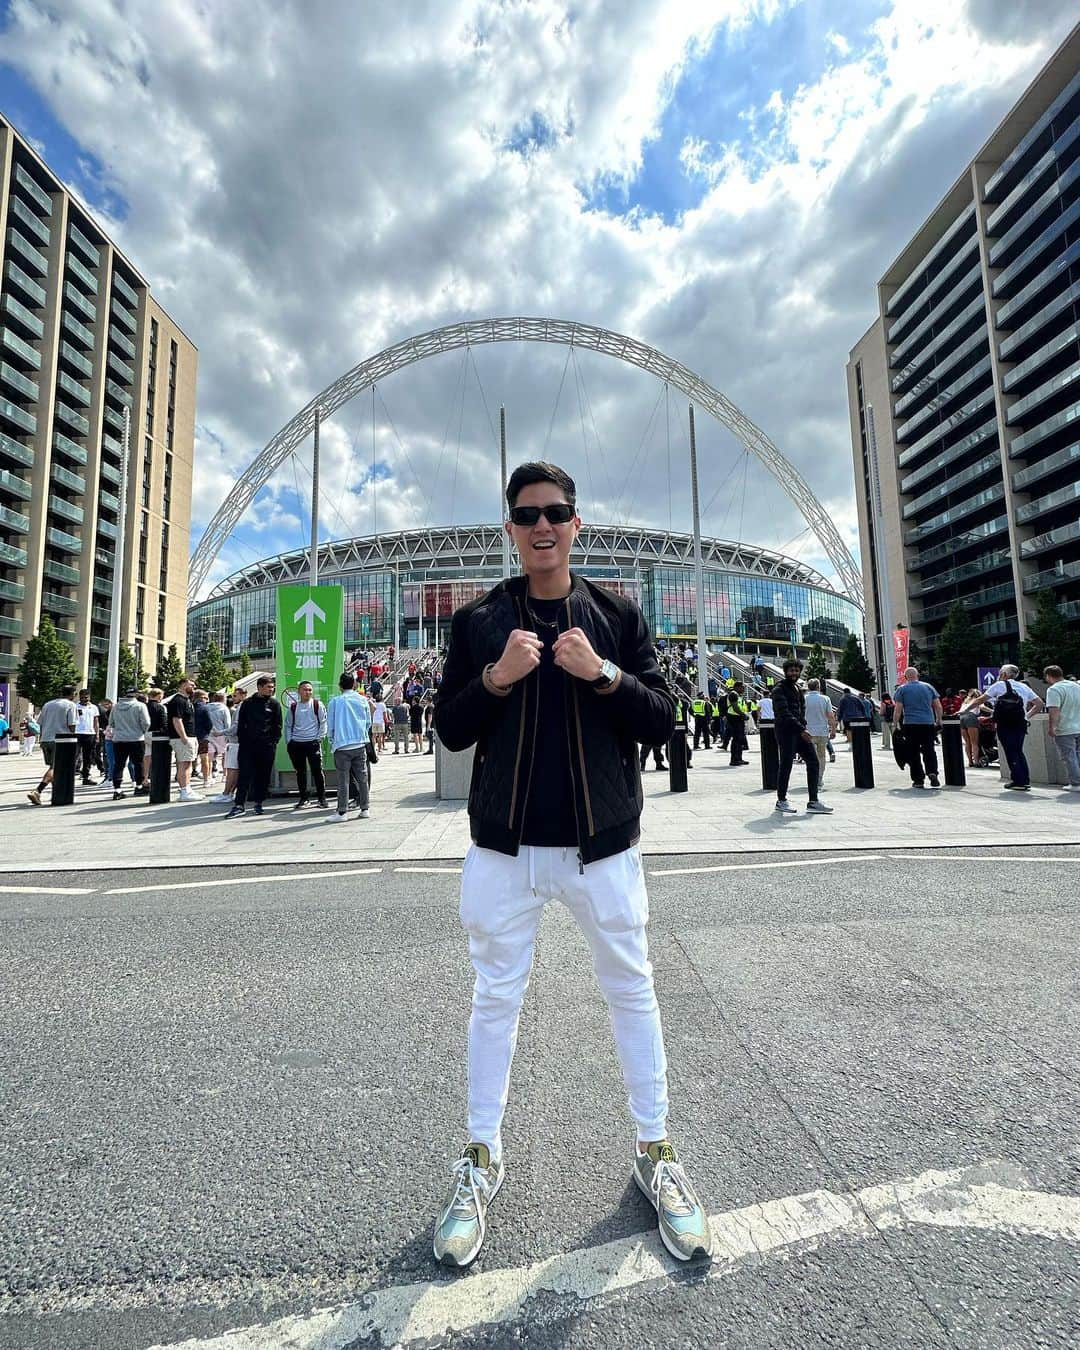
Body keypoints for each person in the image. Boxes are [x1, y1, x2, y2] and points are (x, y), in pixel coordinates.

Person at [432, 459, 712, 1270]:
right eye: (527, 515)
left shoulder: (618, 615)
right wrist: (495, 678)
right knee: (495, 999)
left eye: (555, 512)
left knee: (632, 990)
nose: (542, 525)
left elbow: (663, 719)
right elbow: (450, 727)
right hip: (504, 849)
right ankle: (480, 1158)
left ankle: (656, 1151)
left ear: (576, 524)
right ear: (511, 529)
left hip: (603, 847)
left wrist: (605, 675)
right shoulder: (482, 621)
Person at [964, 664, 1043, 790]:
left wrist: (965, 710)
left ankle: (1018, 781)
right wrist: (1026, 716)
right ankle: (1024, 779)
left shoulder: (999, 685)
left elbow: (980, 700)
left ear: (1004, 674)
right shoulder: (1023, 686)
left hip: (1005, 723)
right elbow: (1039, 704)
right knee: (1018, 750)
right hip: (1020, 723)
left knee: (1010, 751)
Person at [773, 659, 833, 814]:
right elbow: (784, 713)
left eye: (796, 670)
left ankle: (813, 801)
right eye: (791, 670)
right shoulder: (779, 689)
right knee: (786, 765)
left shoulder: (798, 689)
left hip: (799, 731)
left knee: (813, 761)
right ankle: (781, 800)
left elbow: (801, 711)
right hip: (786, 732)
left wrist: (803, 726)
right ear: (785, 671)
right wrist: (802, 729)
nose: (794, 673)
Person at [227, 675, 282, 817]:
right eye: (268, 687)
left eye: (272, 687)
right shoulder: (247, 703)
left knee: (263, 775)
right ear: (259, 687)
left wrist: (273, 742)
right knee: (244, 774)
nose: (271, 689)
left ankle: (259, 803)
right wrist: (243, 740)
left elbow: (277, 726)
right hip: (247, 746)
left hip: (267, 746)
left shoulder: (274, 704)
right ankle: (239, 805)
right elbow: (241, 724)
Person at [326, 671, 371, 822]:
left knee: (343, 780)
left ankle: (342, 812)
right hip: (359, 743)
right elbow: (368, 722)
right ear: (354, 684)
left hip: (342, 744)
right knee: (362, 777)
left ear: (340, 686)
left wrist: (332, 739)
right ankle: (365, 808)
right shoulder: (362, 700)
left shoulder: (335, 701)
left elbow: (330, 725)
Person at [893, 667, 943, 789]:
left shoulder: (902, 689)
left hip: (910, 724)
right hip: (927, 723)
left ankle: (918, 779)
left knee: (913, 752)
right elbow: (938, 706)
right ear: (918, 675)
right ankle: (932, 772)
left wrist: (895, 724)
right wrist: (938, 720)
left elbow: (898, 709)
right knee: (929, 749)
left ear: (905, 677)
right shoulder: (928, 687)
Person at [27, 685, 77, 805]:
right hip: (61, 741)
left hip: (45, 739)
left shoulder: (48, 704)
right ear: (72, 694)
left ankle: (57, 793)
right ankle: (38, 790)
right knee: (56, 768)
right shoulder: (70, 705)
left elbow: (40, 722)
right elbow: (72, 725)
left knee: (53, 766)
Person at [284, 680, 329, 809]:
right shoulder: (293, 707)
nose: (308, 692)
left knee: (317, 771)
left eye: (310, 690)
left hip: (313, 743)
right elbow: (288, 725)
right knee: (300, 772)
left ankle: (322, 799)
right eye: (305, 689)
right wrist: (289, 741)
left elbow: (323, 722)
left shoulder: (317, 705)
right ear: (299, 691)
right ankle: (304, 799)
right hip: (296, 744)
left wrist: (319, 738)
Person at [108, 688, 151, 799]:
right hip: (136, 738)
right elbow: (146, 723)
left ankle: (117, 789)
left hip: (119, 738)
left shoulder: (116, 706)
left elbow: (111, 722)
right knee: (138, 763)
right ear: (136, 695)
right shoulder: (140, 706)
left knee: (119, 764)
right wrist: (141, 731)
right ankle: (139, 786)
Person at [1043, 665, 1080, 791]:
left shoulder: (1054, 690)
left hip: (1065, 728)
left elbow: (1054, 710)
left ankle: (1076, 783)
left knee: (1069, 756)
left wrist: (1052, 727)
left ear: (1048, 676)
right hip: (1078, 725)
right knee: (1077, 754)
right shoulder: (1076, 686)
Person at [213, 687, 247, 804]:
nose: (233, 698)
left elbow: (235, 727)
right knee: (235, 769)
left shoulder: (240, 708)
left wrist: (220, 733)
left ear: (243, 695)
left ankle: (226, 793)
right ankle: (230, 793)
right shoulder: (242, 707)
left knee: (232, 769)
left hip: (235, 742)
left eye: (235, 696)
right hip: (239, 742)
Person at [168, 678, 200, 801]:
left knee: (188, 763)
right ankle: (184, 791)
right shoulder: (178, 700)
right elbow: (177, 720)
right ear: (183, 685)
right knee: (184, 764)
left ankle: (187, 789)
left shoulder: (186, 700)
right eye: (191, 684)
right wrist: (184, 737)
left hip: (189, 736)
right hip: (182, 738)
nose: (194, 686)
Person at [803, 678, 836, 788]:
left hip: (808, 731)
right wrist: (833, 729)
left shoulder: (803, 699)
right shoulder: (825, 699)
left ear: (808, 687)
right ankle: (819, 778)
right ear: (819, 687)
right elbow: (830, 716)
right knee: (821, 756)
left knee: (810, 757)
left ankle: (812, 777)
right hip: (822, 731)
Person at [74, 689, 100, 784]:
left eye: (87, 697)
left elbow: (96, 722)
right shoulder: (75, 707)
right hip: (77, 733)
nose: (85, 699)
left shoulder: (94, 707)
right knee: (75, 755)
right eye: (83, 697)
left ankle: (86, 776)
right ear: (80, 697)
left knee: (88, 757)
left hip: (90, 734)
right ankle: (70, 774)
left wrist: (97, 735)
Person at [206, 691, 231, 778]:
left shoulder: (206, 707)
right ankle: (225, 775)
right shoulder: (224, 708)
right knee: (224, 755)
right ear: (223, 699)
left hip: (209, 734)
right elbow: (227, 723)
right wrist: (228, 735)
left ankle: (208, 775)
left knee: (209, 756)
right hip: (221, 733)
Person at [725, 682, 750, 765]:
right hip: (734, 718)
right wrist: (743, 715)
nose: (743, 689)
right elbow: (735, 707)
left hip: (738, 718)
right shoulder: (733, 694)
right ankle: (734, 759)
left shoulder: (738, 695)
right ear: (737, 687)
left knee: (740, 739)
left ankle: (739, 758)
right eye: (742, 687)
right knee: (736, 739)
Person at [193, 689, 213, 784]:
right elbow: (209, 723)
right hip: (202, 735)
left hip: (191, 736)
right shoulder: (205, 708)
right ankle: (206, 779)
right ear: (201, 698)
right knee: (204, 758)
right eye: (206, 698)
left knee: (189, 759)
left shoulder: (190, 706)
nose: (207, 700)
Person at [957, 690, 981, 767]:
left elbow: (960, 710)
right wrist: (992, 711)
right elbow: (982, 707)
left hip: (961, 718)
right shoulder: (977, 699)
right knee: (974, 742)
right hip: (971, 717)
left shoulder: (965, 701)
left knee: (967, 742)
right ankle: (976, 762)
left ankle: (970, 762)